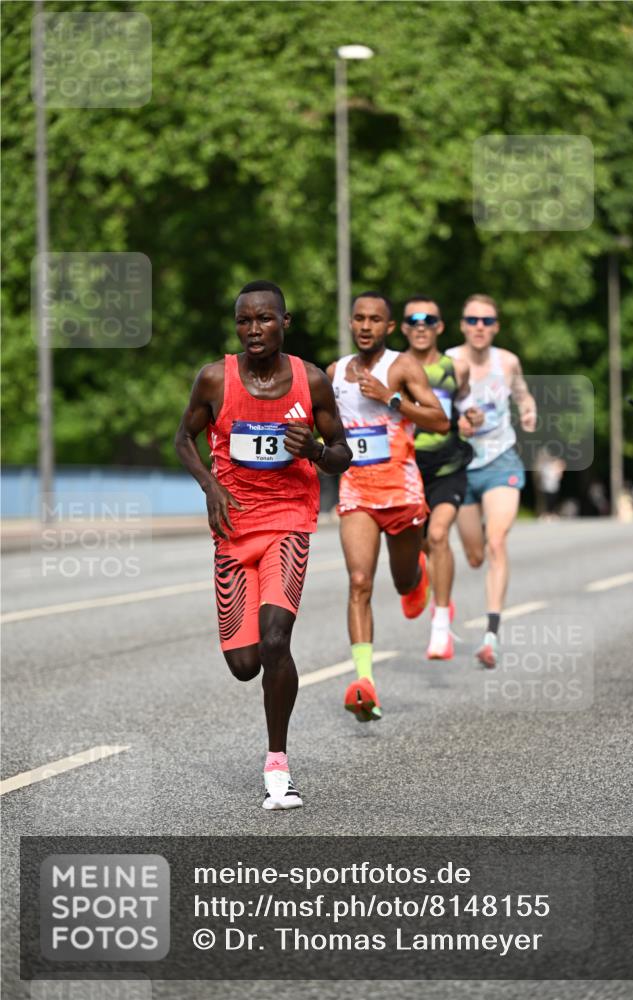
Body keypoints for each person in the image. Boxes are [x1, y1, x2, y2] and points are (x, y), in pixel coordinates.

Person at [175, 280, 351, 810]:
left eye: (265, 319)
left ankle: (278, 766)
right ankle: (271, 730)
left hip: (289, 521)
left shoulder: (311, 381)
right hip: (234, 530)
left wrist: (318, 450)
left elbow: (343, 453)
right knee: (245, 664)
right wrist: (210, 485)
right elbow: (183, 438)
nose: (254, 329)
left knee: (276, 640)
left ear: (285, 321)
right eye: (245, 320)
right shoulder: (214, 379)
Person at [326, 291, 450, 722]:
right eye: (359, 318)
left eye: (374, 320)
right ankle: (365, 682)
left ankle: (418, 574)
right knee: (360, 581)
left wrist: (390, 399)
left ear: (388, 327)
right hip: (356, 491)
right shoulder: (335, 372)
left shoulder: (402, 366)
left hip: (401, 493)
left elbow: (439, 420)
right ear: (350, 322)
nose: (365, 326)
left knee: (401, 583)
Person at [446, 294, 537, 668]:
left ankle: (490, 635)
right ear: (463, 324)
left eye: (487, 321)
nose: (479, 327)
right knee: (474, 555)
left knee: (497, 541)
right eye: (472, 320)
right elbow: (431, 406)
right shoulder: (448, 361)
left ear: (496, 326)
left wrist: (528, 411)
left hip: (502, 460)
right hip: (461, 465)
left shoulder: (508, 361)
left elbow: (522, 394)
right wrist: (458, 423)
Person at [401, 296, 483, 659]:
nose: (421, 326)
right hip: (406, 467)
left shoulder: (457, 367)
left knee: (438, 534)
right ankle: (422, 575)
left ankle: (441, 625)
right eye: (413, 320)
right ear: (402, 327)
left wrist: (471, 418)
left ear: (440, 326)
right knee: (419, 543)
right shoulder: (393, 368)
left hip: (449, 465)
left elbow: (463, 404)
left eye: (429, 320)